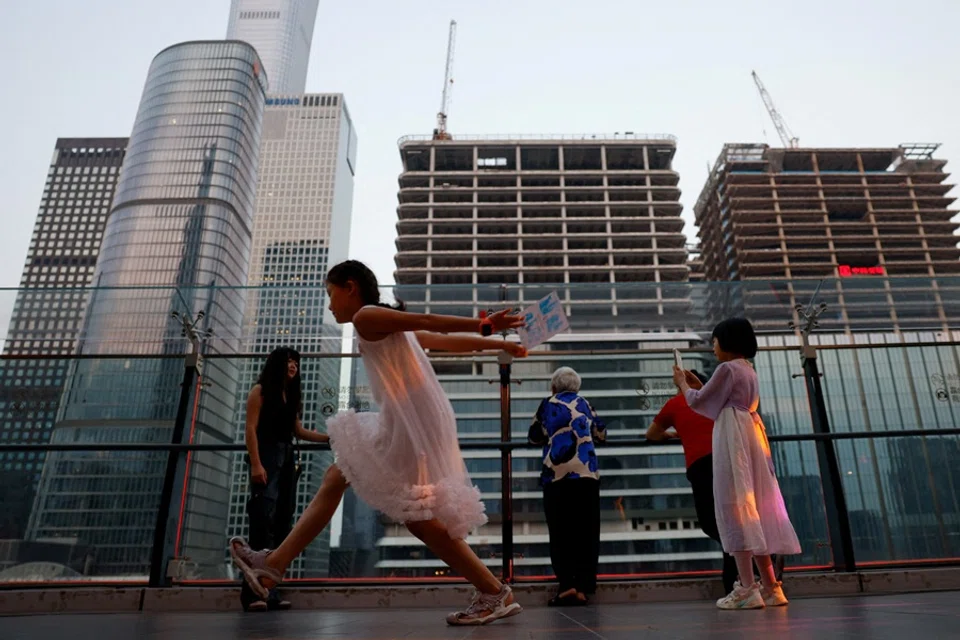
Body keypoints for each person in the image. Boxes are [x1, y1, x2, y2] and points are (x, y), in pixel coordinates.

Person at [230, 260, 528, 626]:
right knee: (339, 478)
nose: (329, 305)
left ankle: (494, 591)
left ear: (350, 287)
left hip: (408, 421)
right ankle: (273, 565)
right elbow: (439, 341)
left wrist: (485, 325)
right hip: (414, 417)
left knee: (413, 514)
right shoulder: (383, 323)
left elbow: (429, 323)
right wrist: (499, 344)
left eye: (330, 294)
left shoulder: (367, 317)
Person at [673, 318, 801, 610]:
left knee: (734, 506)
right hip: (751, 434)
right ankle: (771, 587)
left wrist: (683, 383)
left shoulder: (726, 368)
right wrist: (698, 386)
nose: (713, 347)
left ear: (727, 342)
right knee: (753, 505)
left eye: (715, 341)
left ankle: (746, 587)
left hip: (732, 438)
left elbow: (699, 402)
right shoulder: (747, 369)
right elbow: (716, 397)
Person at [240, 347, 329, 612]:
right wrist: (256, 463)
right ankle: (251, 595)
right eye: (289, 361)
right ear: (277, 364)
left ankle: (270, 592)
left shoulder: (291, 395)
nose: (293, 365)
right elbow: (250, 429)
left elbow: (298, 431)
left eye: (296, 362)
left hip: (286, 459)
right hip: (266, 457)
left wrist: (331, 437)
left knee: (282, 524)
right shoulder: (260, 391)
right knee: (261, 522)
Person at [646, 369, 738, 594]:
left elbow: (652, 434)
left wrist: (672, 434)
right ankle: (747, 567)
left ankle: (739, 565)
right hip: (729, 461)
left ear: (680, 386)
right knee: (734, 519)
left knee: (711, 523)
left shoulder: (675, 404)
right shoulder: (714, 400)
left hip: (701, 466)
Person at [528, 367, 606, 607]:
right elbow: (601, 434)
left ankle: (567, 586)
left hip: (557, 477)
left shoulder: (547, 405)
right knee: (587, 532)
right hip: (586, 475)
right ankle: (583, 588)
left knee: (560, 533)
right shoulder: (585, 403)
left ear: (553, 387)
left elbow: (533, 436)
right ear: (577, 387)